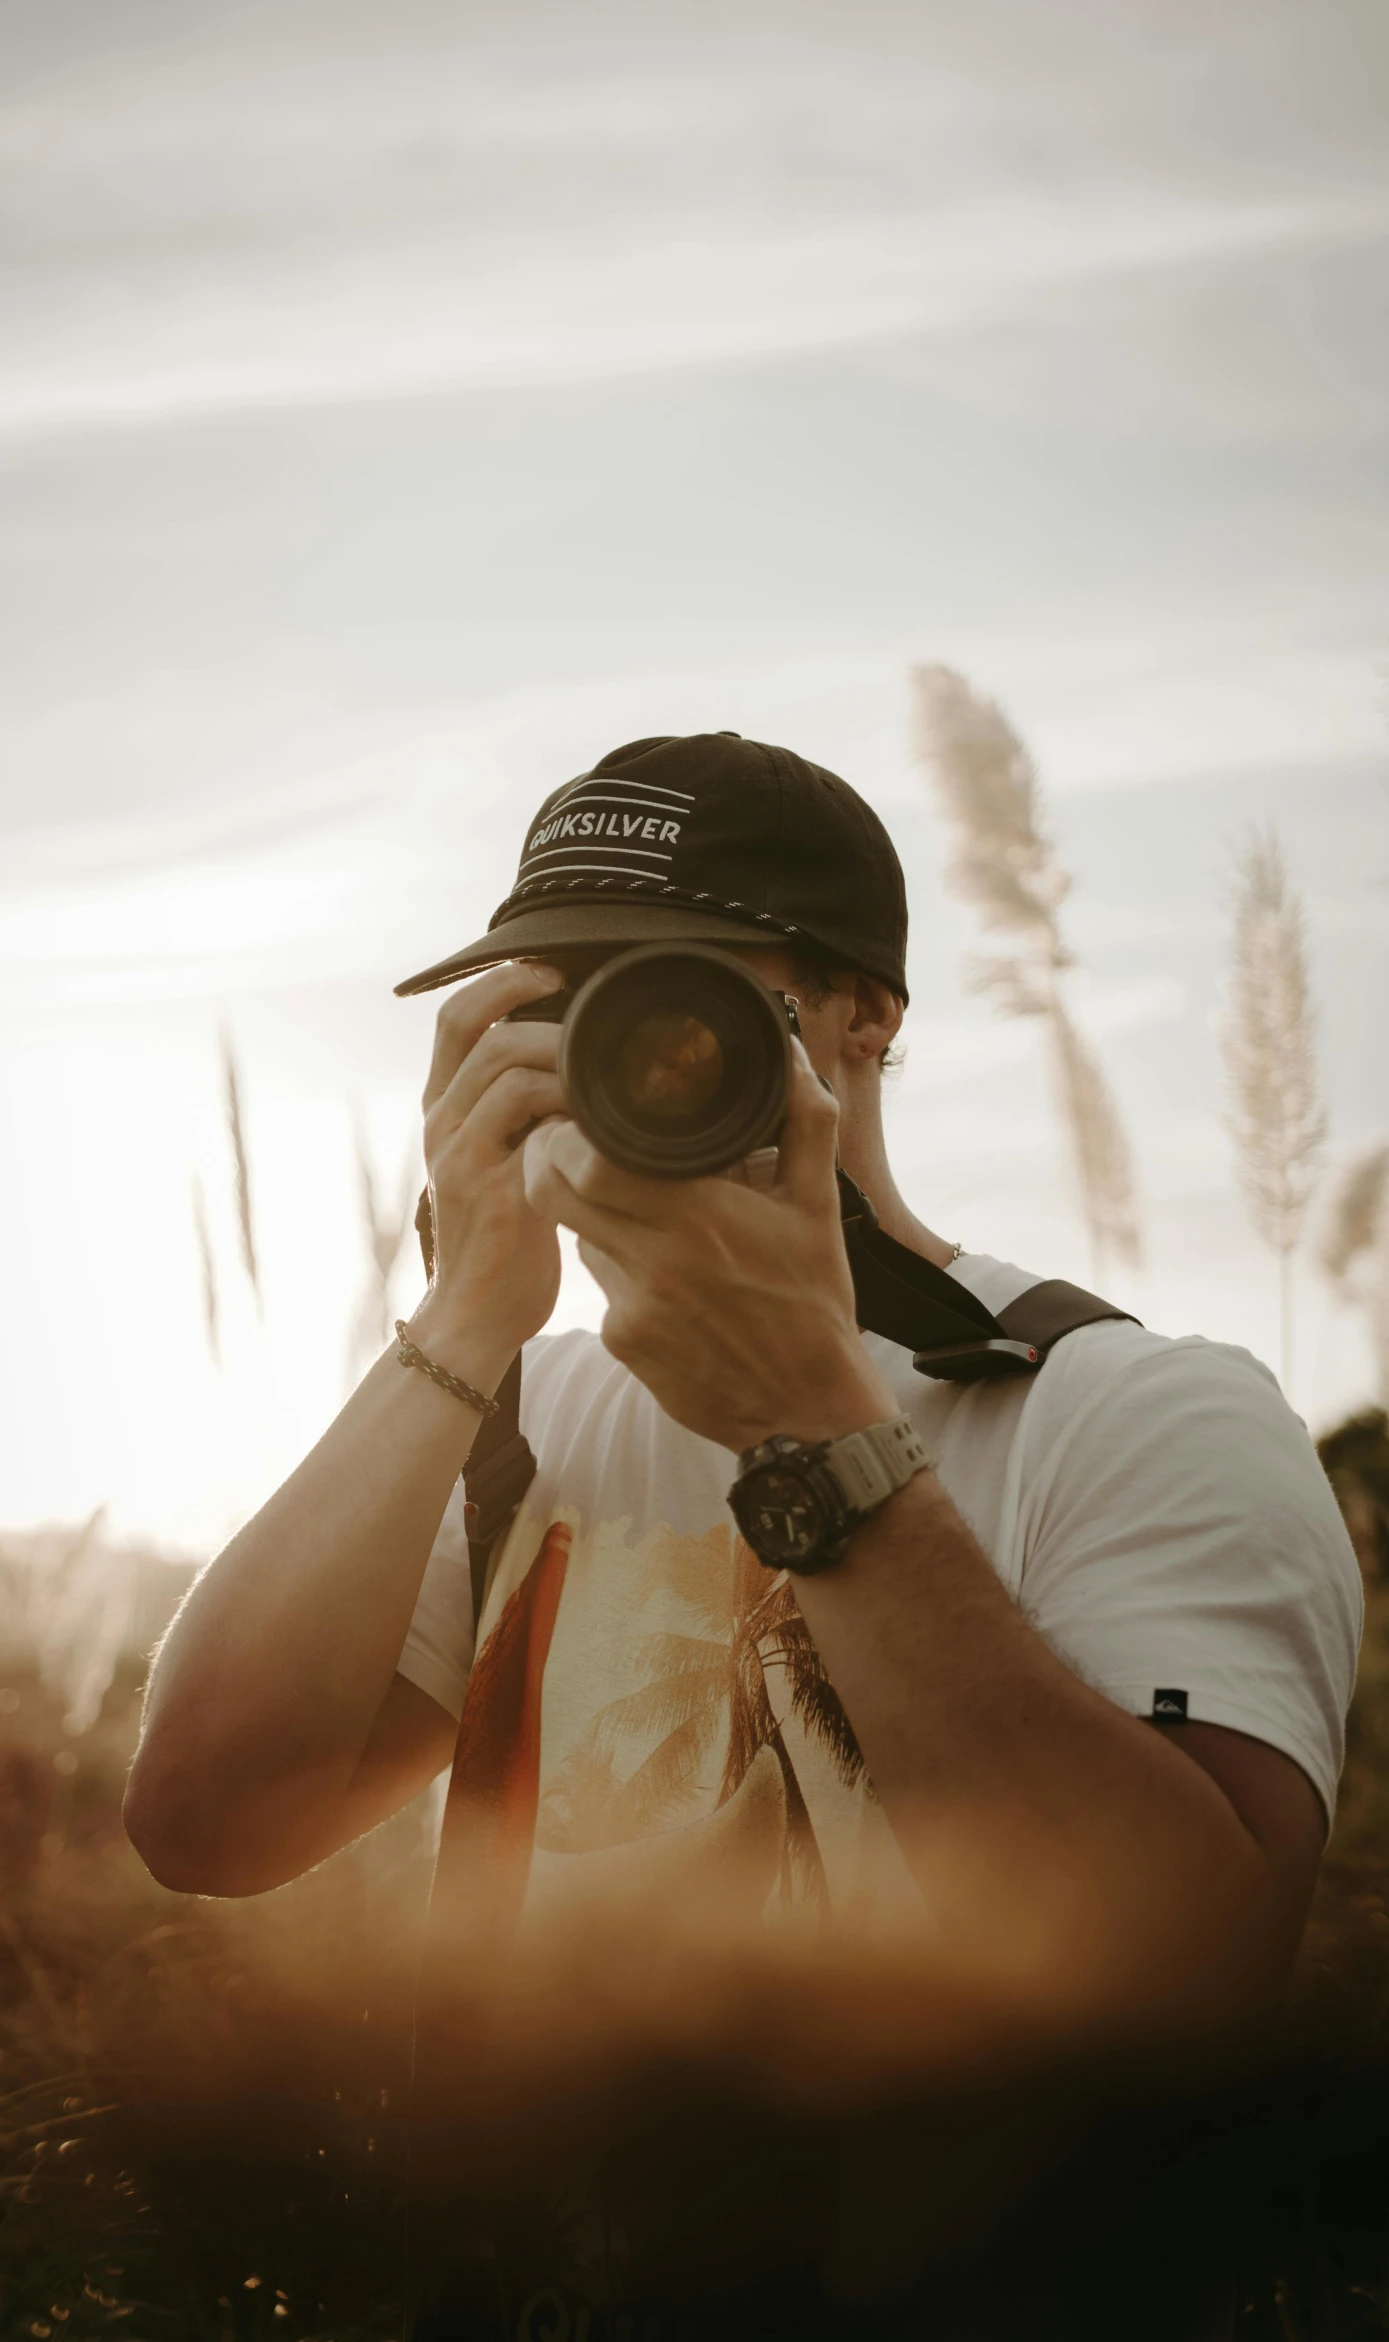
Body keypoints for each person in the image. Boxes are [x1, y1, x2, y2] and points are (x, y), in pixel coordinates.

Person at [123, 731, 1361, 2332]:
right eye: (551, 1000)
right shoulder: (526, 1413)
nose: (616, 1052)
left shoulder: (1134, 1411)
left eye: (676, 986)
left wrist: (805, 1421)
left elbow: (1190, 1985)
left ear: (866, 1016)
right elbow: (208, 1815)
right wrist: (464, 1316)